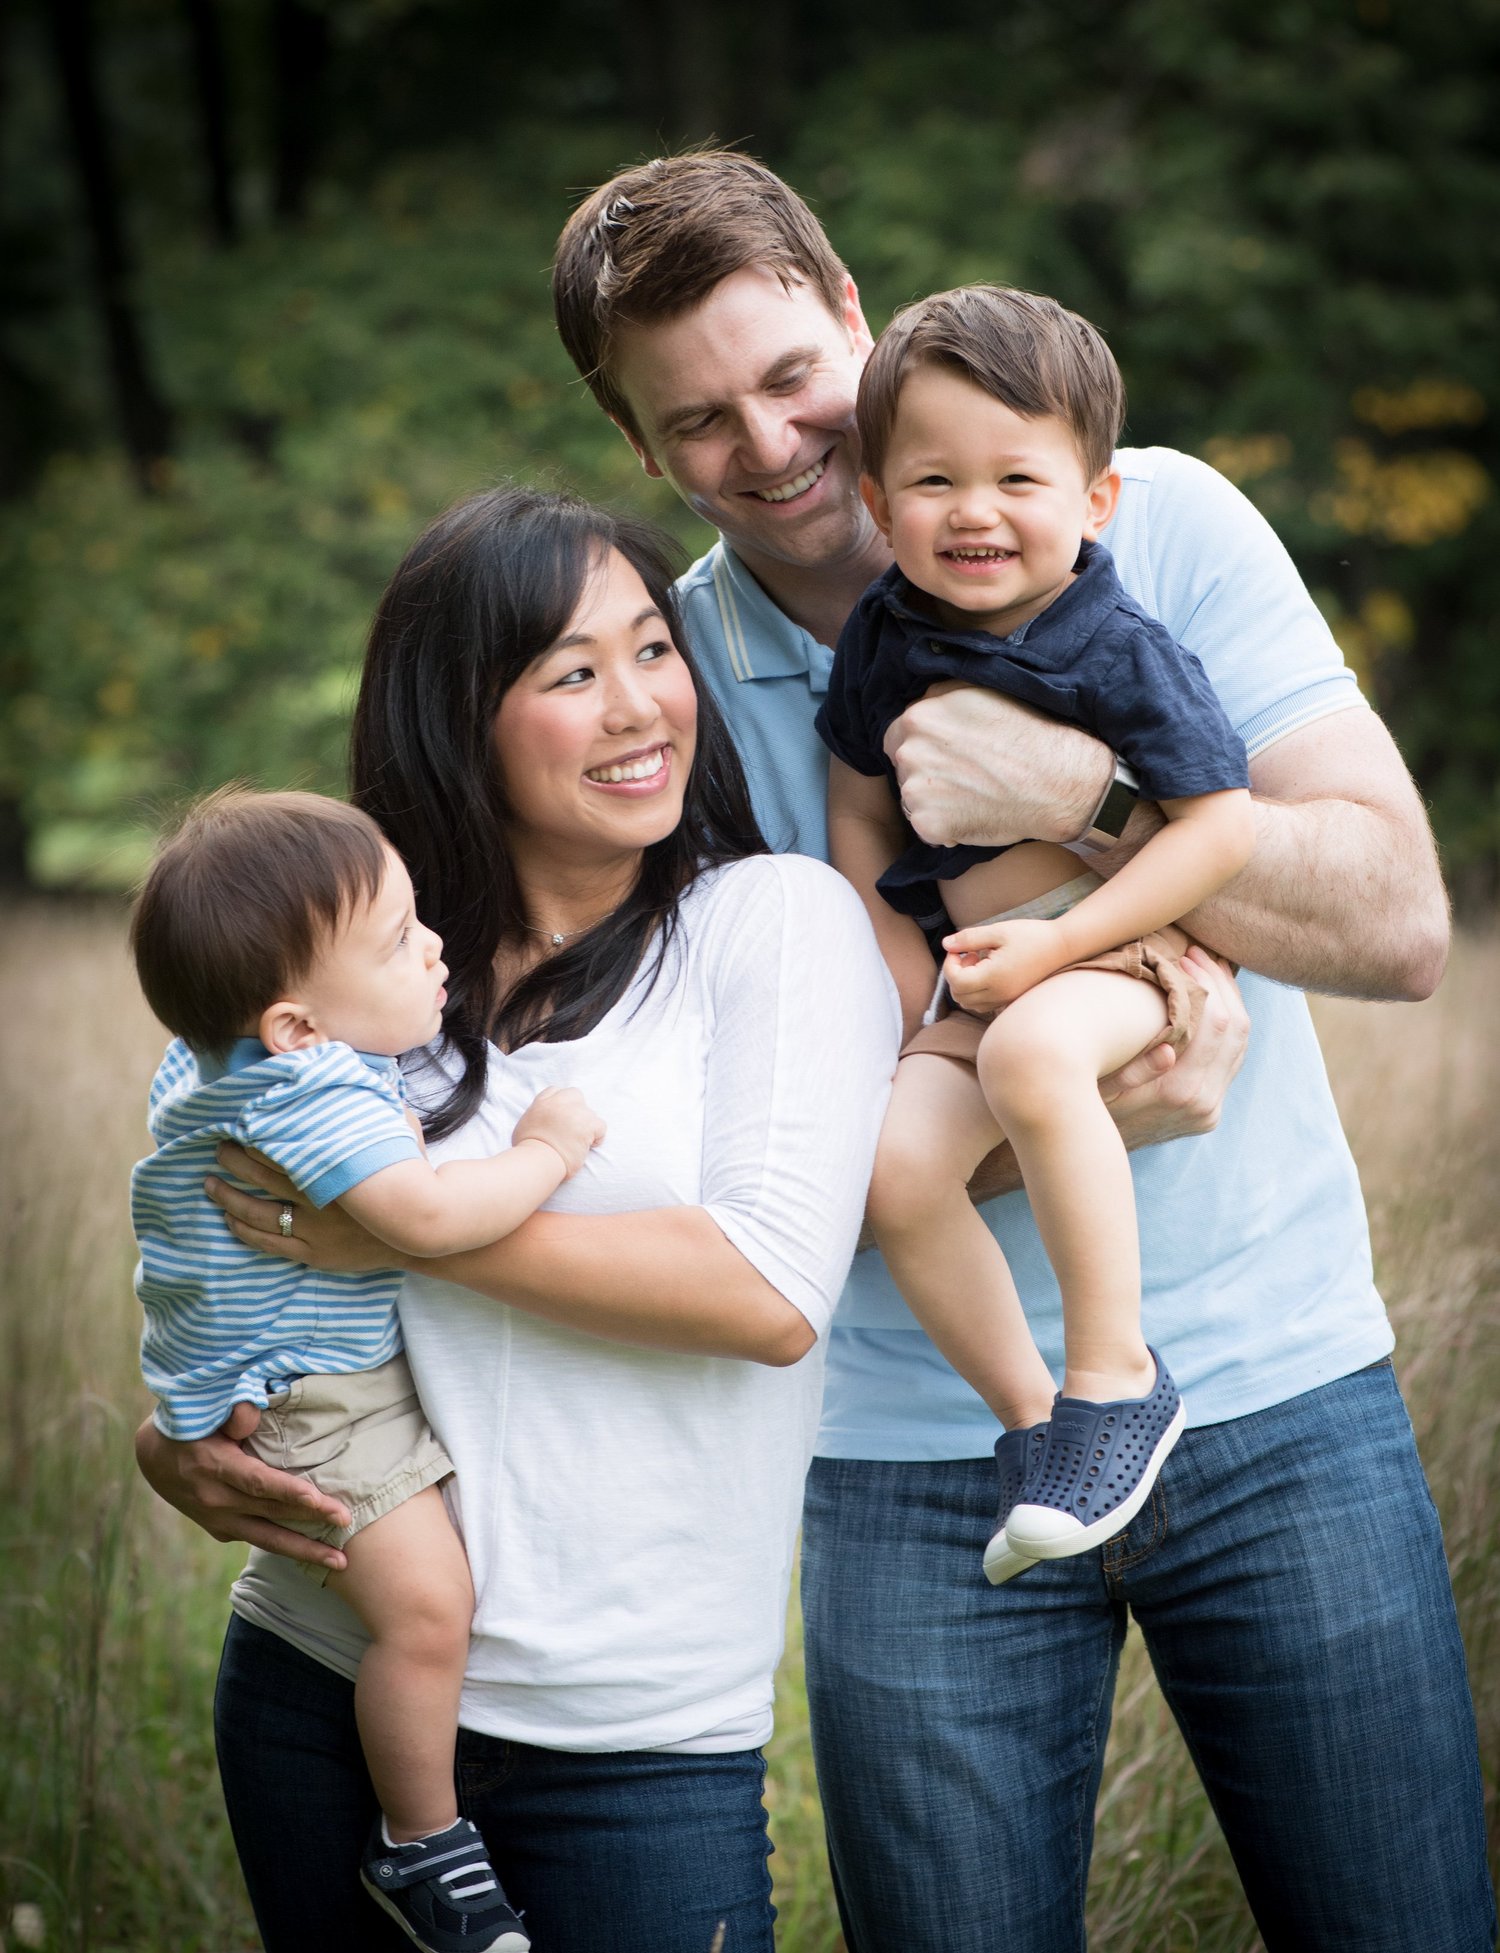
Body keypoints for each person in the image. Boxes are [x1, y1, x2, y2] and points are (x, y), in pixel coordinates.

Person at [544, 151, 1495, 1953]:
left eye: (791, 378)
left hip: (1280, 1389)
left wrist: (1086, 797)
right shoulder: (662, 687)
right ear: (639, 445)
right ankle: (1061, 1415)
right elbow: (720, 1130)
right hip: (916, 1452)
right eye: (699, 421)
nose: (771, 445)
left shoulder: (1161, 520)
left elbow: (1399, 919)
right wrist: (1041, 1091)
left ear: (852, 310)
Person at [134, 485, 900, 1953]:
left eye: (653, 649)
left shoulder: (772, 922)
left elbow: (765, 1292)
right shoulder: (363, 963)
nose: (640, 706)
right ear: (457, 717)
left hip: (630, 1737)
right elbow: (212, 1217)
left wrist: (408, 1228)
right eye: (571, 672)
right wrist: (172, 1438)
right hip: (324, 1675)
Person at [820, 284, 1257, 1580]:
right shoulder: (884, 633)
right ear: (878, 501)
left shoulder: (1113, 643)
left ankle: (1115, 1381)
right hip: (983, 980)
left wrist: (1060, 952)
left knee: (1030, 1056)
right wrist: (907, 982)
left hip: (1114, 950)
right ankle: (1035, 1426)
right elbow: (860, 806)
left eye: (1018, 478)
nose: (975, 511)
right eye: (934, 480)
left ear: (1094, 499)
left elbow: (1219, 828)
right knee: (899, 1163)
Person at [131, 786, 607, 1953]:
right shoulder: (314, 1088)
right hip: (319, 1400)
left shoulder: (215, 1062)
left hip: (277, 1378)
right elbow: (429, 1220)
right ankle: (421, 1842)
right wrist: (548, 1150)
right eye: (399, 942)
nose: (435, 947)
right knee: (430, 1614)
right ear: (296, 1025)